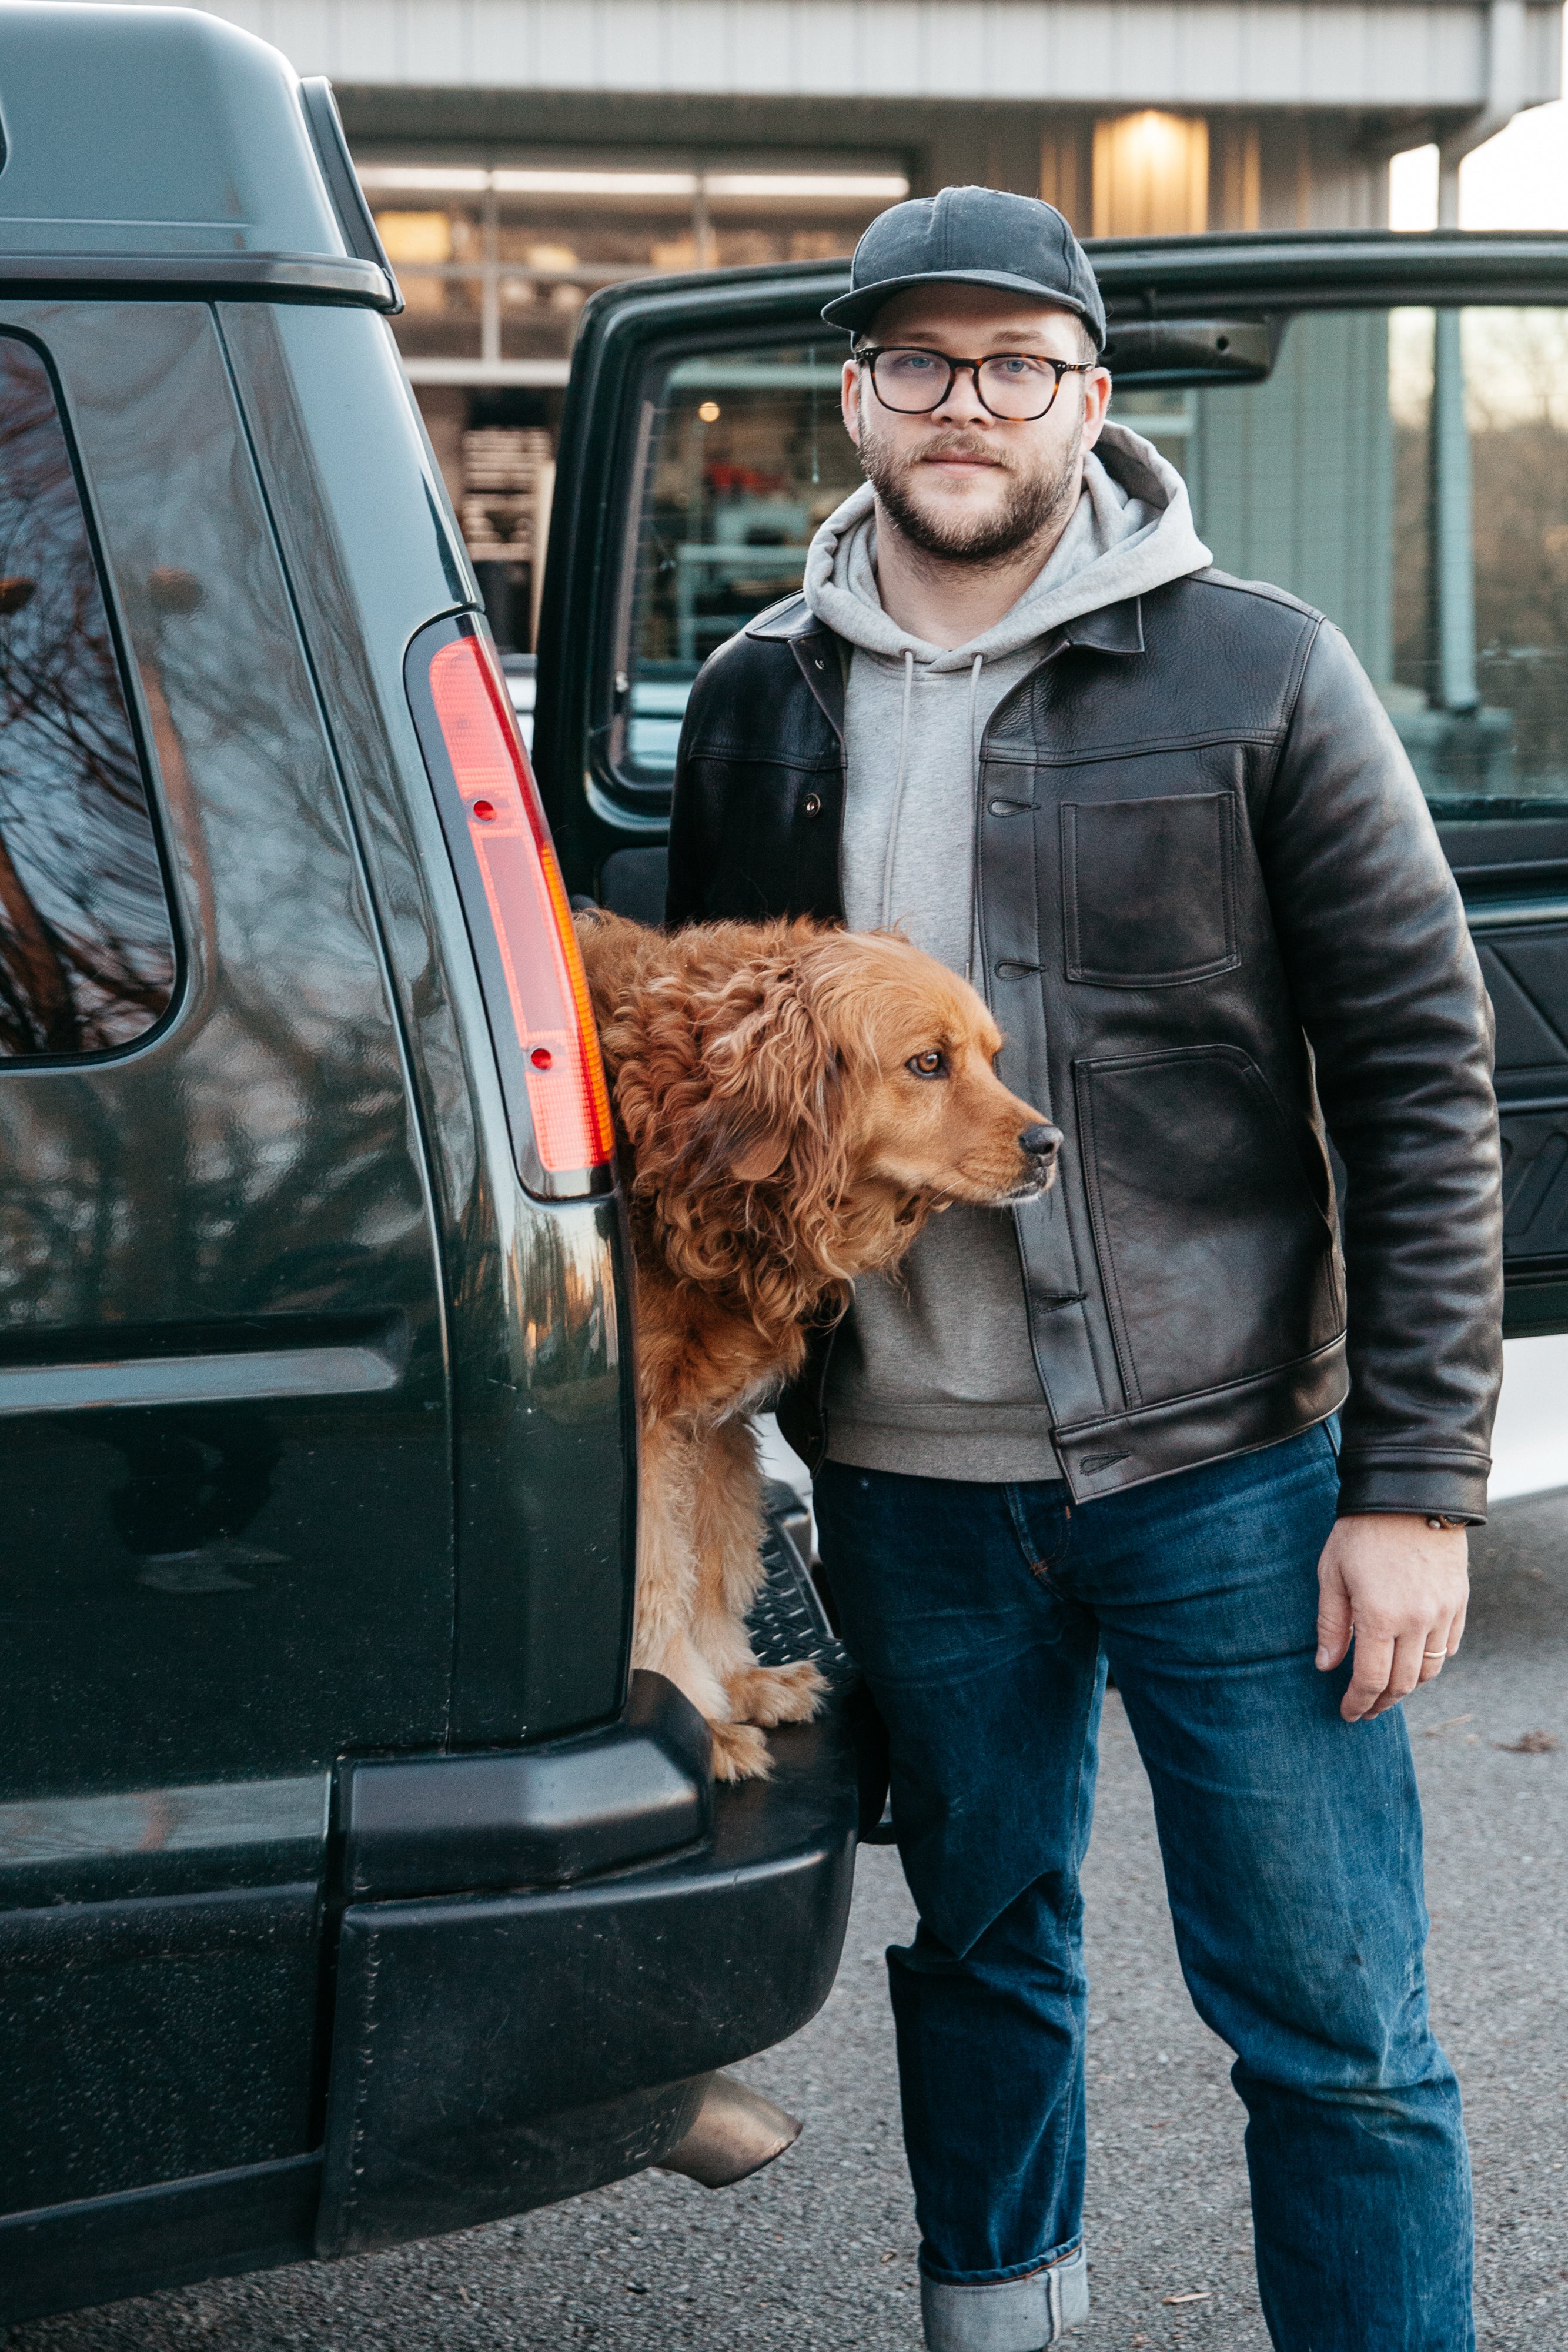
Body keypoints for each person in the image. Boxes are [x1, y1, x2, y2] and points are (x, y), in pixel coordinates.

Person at [664, 185, 1502, 2352]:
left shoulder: (1260, 669)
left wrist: (1413, 1488)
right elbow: (709, 1082)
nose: (967, 404)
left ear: (1089, 400)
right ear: (853, 395)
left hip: (1223, 1461)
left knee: (1333, 2024)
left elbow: (1419, 1082)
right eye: (920, 362)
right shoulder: (761, 698)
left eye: (1013, 363)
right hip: (906, 1475)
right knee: (982, 1956)